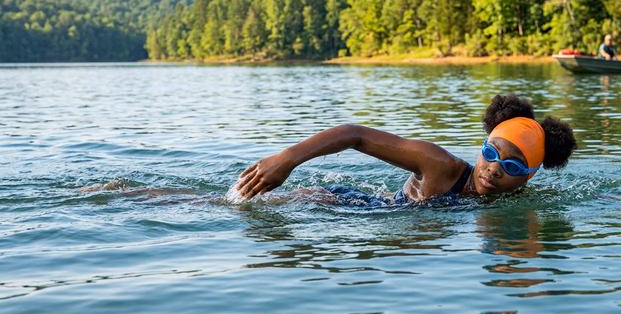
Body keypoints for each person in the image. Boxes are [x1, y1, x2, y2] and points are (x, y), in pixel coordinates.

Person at [236, 94, 578, 205]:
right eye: (490, 154)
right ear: (483, 145)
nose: (494, 168)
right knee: (237, 203)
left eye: (513, 167)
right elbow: (355, 134)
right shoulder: (439, 165)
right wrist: (286, 160)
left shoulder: (520, 201)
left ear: (530, 176)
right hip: (352, 205)